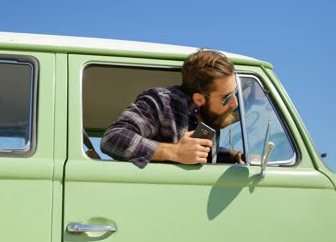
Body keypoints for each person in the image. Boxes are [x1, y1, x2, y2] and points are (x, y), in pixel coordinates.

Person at [100, 49, 244, 168]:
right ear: (199, 99)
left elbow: (196, 153)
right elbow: (113, 137)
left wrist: (234, 156)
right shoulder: (162, 102)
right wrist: (174, 151)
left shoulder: (212, 113)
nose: (235, 103)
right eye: (227, 97)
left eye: (235, 93)